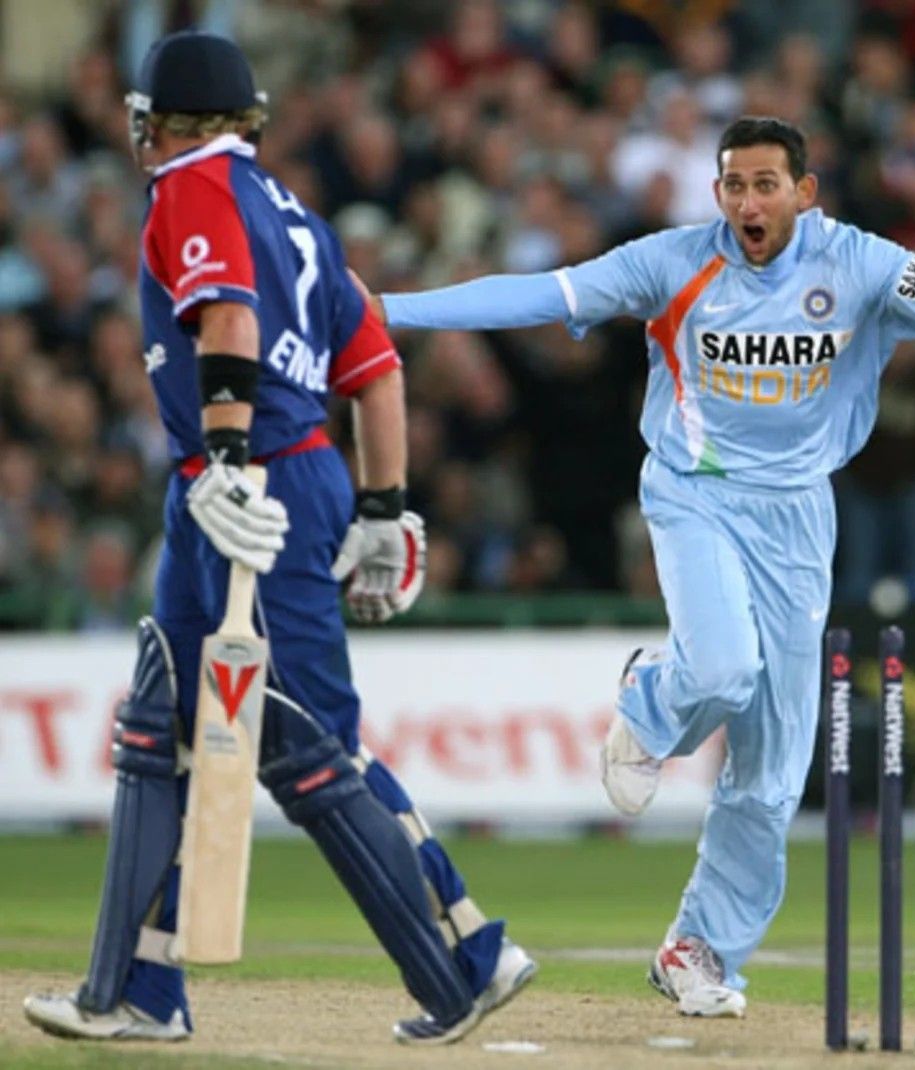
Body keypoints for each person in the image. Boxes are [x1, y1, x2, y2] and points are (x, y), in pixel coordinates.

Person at [351, 116, 915, 1018]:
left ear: (804, 193)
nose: (747, 202)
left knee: (777, 768)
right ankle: (651, 701)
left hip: (797, 515)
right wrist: (390, 310)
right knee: (722, 666)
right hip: (694, 492)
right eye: (733, 185)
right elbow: (540, 294)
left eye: (765, 185)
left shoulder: (861, 264)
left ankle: (698, 947)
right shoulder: (672, 260)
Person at [23, 32, 534, 1047]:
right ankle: (136, 988)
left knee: (307, 744)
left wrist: (222, 455)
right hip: (261, 476)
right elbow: (376, 367)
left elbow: (228, 326)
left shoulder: (191, 187)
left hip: (249, 482)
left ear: (168, 121)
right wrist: (382, 507)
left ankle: (461, 956)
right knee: (157, 721)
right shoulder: (297, 213)